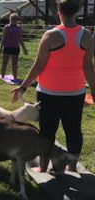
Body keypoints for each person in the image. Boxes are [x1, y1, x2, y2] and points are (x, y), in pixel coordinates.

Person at [11, 0, 95, 173]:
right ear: (76, 12)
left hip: (49, 94)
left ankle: (43, 168)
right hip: (76, 93)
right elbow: (88, 66)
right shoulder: (86, 35)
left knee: (47, 132)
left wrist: (23, 87)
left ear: (59, 12)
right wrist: (93, 90)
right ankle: (72, 167)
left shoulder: (50, 35)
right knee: (73, 130)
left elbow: (38, 66)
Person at [0, 13, 28, 80]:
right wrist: (0, 48)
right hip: (7, 47)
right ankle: (2, 76)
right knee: (4, 62)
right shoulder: (7, 27)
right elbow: (3, 38)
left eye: (16, 19)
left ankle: (15, 77)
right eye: (13, 18)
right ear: (10, 19)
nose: (15, 20)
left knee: (15, 63)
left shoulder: (19, 27)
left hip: (16, 47)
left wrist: (24, 49)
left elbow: (20, 39)